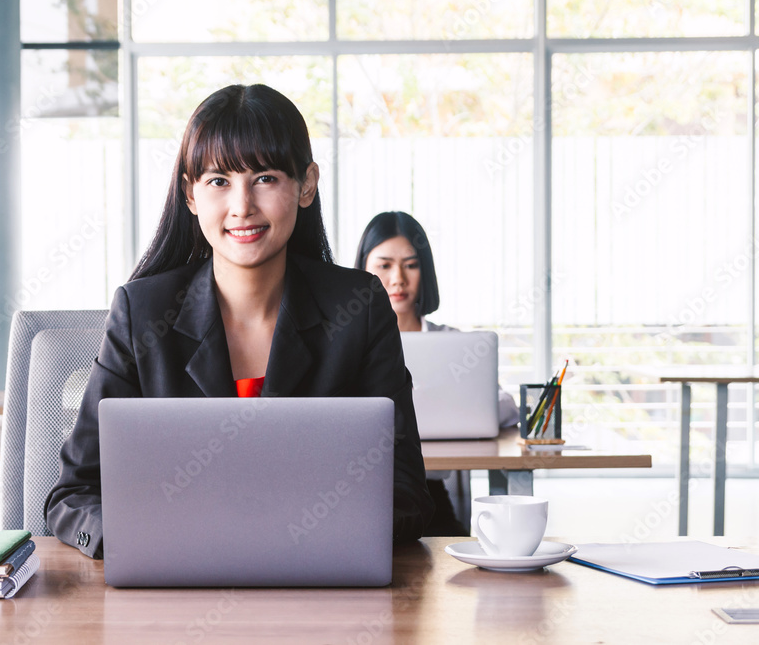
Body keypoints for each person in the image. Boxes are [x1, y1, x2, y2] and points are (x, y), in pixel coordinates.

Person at [45, 85, 434, 558]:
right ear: (190, 193)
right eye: (218, 181)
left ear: (306, 184)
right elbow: (73, 495)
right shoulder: (141, 314)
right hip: (175, 585)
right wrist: (135, 541)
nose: (242, 206)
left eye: (265, 178)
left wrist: (294, 534)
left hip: (315, 583)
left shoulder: (360, 309)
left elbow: (408, 493)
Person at [354, 211, 519, 535]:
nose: (398, 278)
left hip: (429, 491)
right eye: (384, 265)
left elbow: (506, 405)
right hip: (362, 491)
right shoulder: (348, 345)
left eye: (411, 265)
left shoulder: (453, 343)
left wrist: (470, 410)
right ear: (363, 270)